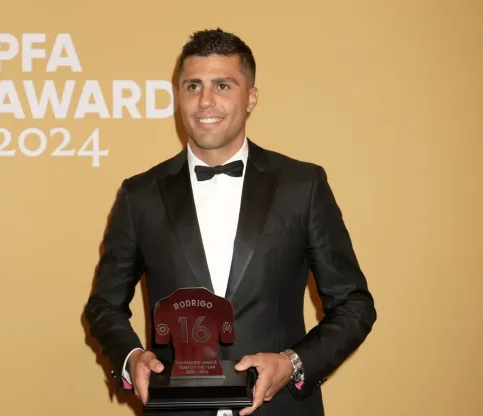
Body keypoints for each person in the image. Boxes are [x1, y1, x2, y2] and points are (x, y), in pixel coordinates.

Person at [84, 28, 376, 416]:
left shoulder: (302, 185)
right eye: (192, 86)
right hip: (177, 410)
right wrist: (131, 356)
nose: (205, 101)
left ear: (251, 97)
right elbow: (104, 305)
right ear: (179, 97)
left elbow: (354, 305)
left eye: (223, 85)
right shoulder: (140, 195)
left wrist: (292, 363)